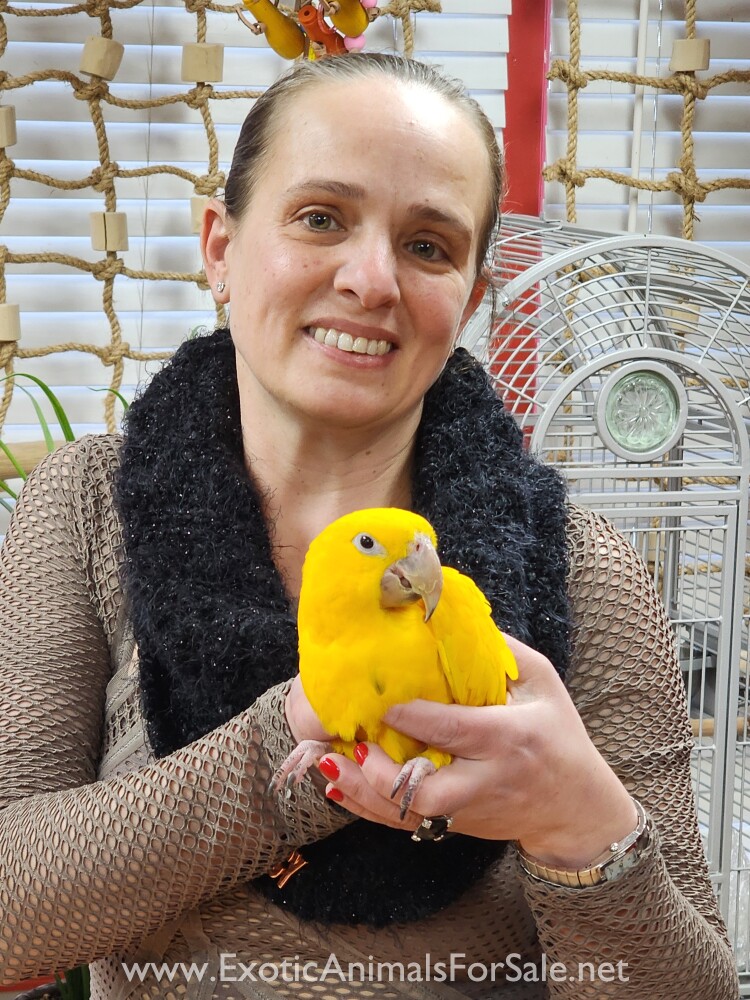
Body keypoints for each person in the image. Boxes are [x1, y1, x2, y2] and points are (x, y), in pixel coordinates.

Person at [0, 53, 740, 1000]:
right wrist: (294, 743)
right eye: (320, 218)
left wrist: (581, 828)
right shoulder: (88, 504)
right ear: (220, 248)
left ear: (470, 298)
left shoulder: (583, 567)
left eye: (428, 246)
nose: (372, 280)